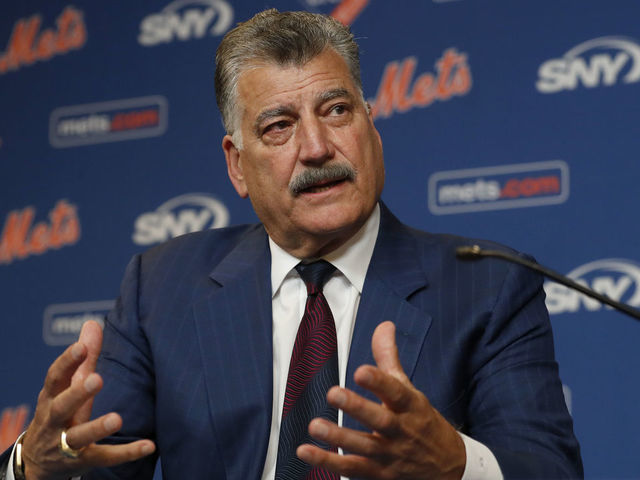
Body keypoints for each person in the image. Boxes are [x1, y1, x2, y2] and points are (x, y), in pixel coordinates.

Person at [0, 9, 582, 480]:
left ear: (371, 128)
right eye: (278, 126)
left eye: (336, 110)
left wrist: (455, 465)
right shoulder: (163, 285)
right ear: (237, 166)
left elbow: (549, 469)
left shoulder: (488, 286)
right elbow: (98, 461)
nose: (316, 146)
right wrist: (32, 467)